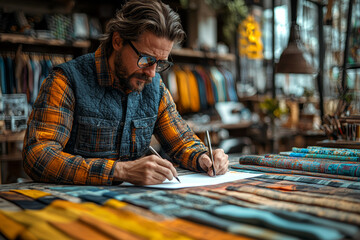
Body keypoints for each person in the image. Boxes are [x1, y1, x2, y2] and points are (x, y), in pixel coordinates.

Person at [23, 0, 229, 186]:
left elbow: (181, 141)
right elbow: (39, 157)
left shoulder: (154, 86)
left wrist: (203, 157)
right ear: (118, 41)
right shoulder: (66, 81)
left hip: (135, 208)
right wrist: (120, 171)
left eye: (160, 63)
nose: (151, 73)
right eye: (146, 59)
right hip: (70, 210)